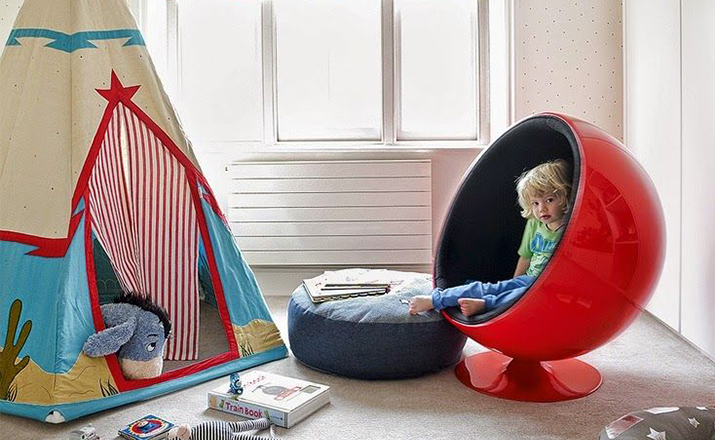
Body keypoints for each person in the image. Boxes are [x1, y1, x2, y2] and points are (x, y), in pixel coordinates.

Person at [408, 159, 572, 317]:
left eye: (549, 200)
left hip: (549, 287)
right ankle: (436, 299)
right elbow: (525, 256)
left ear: (565, 197)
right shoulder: (534, 224)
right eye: (535, 203)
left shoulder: (571, 227)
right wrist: (513, 282)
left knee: (521, 295)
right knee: (491, 288)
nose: (542, 208)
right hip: (529, 280)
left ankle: (486, 304)